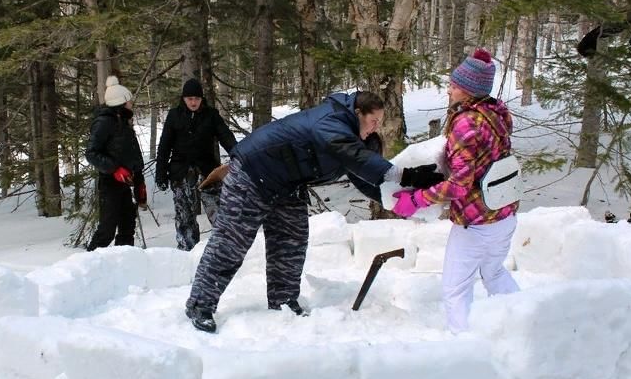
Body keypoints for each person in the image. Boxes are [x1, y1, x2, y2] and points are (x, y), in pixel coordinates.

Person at [184, 90, 444, 333]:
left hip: (287, 183)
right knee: (232, 243)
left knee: (291, 242)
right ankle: (200, 305)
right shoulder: (332, 121)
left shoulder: (353, 142)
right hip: (253, 174)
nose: (376, 126)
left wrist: (404, 203)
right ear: (357, 113)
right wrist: (407, 175)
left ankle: (284, 302)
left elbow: (366, 178)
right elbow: (354, 155)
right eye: (373, 120)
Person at [390, 48, 520, 333]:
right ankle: (524, 323)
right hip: (505, 213)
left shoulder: (466, 123)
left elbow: (460, 185)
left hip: (477, 221)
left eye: (454, 85)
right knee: (494, 273)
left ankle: (465, 346)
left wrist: (416, 199)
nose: (448, 90)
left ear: (469, 90)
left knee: (455, 289)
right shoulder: (497, 113)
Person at [155, 78, 238, 250]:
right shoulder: (174, 116)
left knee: (219, 212)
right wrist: (161, 174)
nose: (193, 102)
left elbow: (226, 137)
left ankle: (225, 249)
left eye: (197, 99)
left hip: (208, 172)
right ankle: (187, 252)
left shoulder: (211, 115)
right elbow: (164, 146)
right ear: (183, 99)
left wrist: (238, 154)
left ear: (202, 99)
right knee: (185, 217)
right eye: (189, 99)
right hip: (181, 172)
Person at [85, 76, 148, 251]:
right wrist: (114, 169)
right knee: (107, 230)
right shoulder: (104, 122)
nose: (131, 103)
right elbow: (91, 153)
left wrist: (139, 181)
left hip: (126, 183)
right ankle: (89, 265)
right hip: (110, 183)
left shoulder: (124, 123)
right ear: (121, 102)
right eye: (129, 100)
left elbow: (133, 155)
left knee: (127, 226)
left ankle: (124, 265)